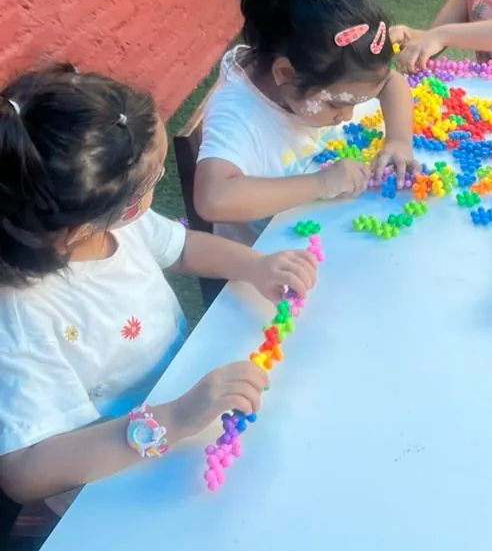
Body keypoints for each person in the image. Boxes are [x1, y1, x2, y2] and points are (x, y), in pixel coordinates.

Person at [0, 65, 317, 511]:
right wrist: (173, 418)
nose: (158, 187)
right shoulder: (21, 312)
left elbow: (183, 247)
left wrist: (257, 266)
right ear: (94, 218)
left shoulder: (118, 226)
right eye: (154, 183)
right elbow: (24, 469)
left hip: (186, 399)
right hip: (112, 473)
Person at [194, 0, 415, 246]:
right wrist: (321, 183)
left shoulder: (322, 72)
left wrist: (399, 141)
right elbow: (212, 199)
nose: (347, 115)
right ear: (285, 74)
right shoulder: (237, 112)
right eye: (337, 103)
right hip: (273, 257)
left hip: (328, 229)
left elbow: (391, 82)